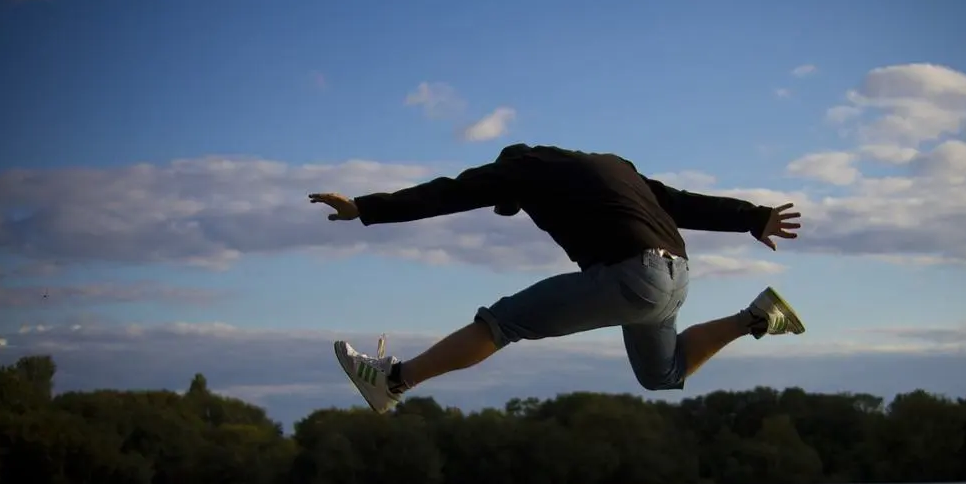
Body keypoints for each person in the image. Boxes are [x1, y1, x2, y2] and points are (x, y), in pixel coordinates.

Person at [309, 143, 805, 415]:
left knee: (502, 322)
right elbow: (678, 201)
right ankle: (756, 317)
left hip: (632, 276)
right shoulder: (614, 166)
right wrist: (753, 217)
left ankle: (393, 381)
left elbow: (448, 194)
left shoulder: (519, 170)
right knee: (663, 375)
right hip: (675, 275)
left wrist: (365, 208)